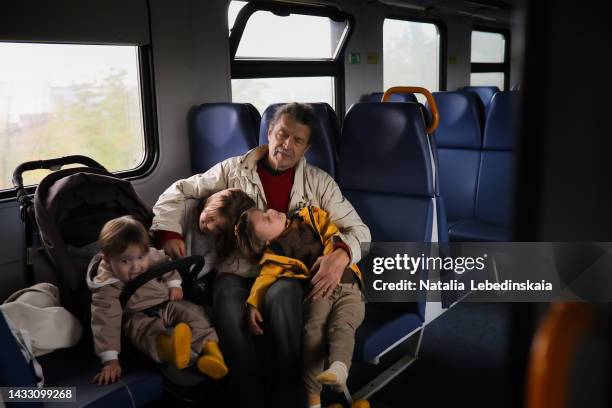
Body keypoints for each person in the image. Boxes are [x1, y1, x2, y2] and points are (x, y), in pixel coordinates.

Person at [151, 102, 371, 407]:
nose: (286, 145)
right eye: (282, 134)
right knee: (227, 301)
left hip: (285, 272)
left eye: (297, 140)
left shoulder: (319, 183)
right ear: (270, 132)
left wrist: (341, 255)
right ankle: (248, 395)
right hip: (237, 269)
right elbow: (179, 191)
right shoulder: (233, 169)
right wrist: (168, 232)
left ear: (307, 147)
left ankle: (289, 393)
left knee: (281, 296)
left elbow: (359, 231)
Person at [234, 205, 365, 408]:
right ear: (267, 241)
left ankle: (339, 368)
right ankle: (313, 400)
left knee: (341, 325)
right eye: (267, 220)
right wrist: (253, 304)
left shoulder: (309, 216)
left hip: (348, 284)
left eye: (266, 211)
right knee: (313, 331)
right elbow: (264, 279)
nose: (272, 212)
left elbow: (332, 233)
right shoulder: (274, 255)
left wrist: (332, 257)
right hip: (318, 291)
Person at [87, 215, 228, 385]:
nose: (136, 266)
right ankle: (171, 348)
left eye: (140, 257)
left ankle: (212, 353)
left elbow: (166, 262)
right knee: (145, 332)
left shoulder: (151, 256)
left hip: (166, 302)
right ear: (107, 259)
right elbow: (105, 322)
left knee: (194, 313)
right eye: (125, 261)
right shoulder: (106, 287)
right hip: (137, 314)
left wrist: (173, 284)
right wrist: (110, 360)